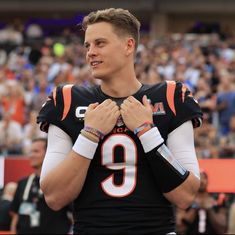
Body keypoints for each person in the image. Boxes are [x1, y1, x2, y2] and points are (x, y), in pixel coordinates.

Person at [37, 8, 203, 234]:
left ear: (128, 45)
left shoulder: (171, 97)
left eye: (100, 43)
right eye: (87, 46)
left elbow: (186, 195)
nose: (90, 53)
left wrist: (147, 132)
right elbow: (54, 197)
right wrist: (90, 135)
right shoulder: (67, 100)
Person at [10, 138, 72, 234]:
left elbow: (74, 215)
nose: (31, 155)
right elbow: (15, 216)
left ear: (48, 154)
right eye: (30, 151)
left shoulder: (60, 182)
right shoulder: (23, 183)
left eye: (36, 151)